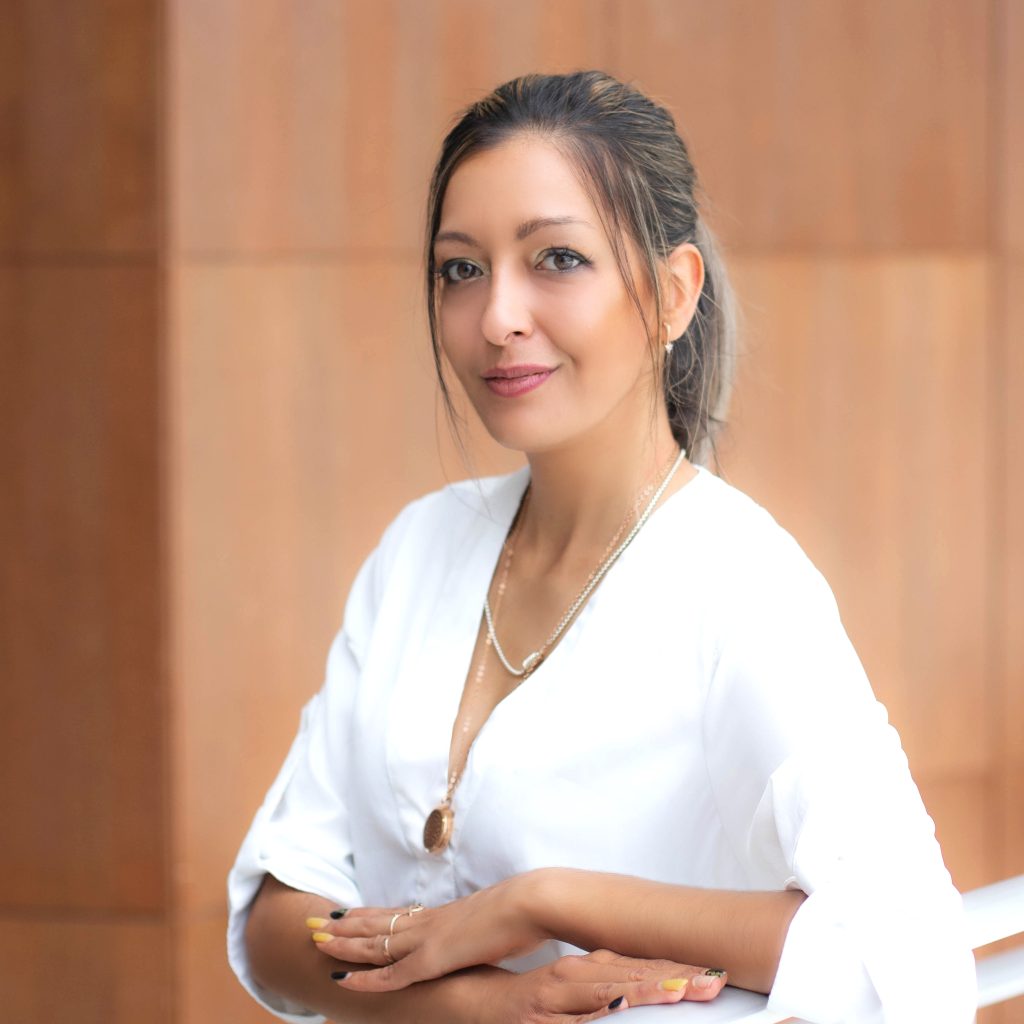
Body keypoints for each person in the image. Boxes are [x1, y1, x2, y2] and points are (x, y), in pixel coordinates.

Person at [227, 70, 977, 1023]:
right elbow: (273, 913)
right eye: (462, 268)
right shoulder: (422, 548)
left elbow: (910, 953)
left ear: (671, 294)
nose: (497, 316)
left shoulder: (736, 583)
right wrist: (491, 1005)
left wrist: (547, 900)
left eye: (557, 260)